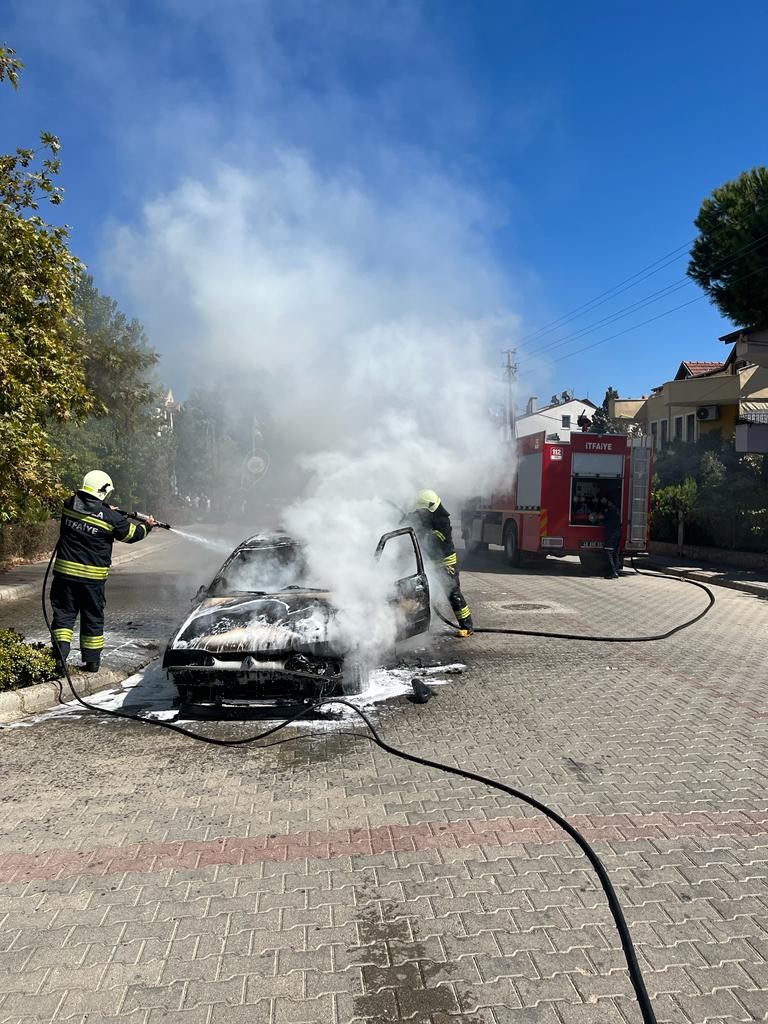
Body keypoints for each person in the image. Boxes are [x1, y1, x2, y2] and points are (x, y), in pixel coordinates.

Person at [50, 470, 157, 673]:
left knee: (63, 617)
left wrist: (104, 508)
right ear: (103, 491)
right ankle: (92, 662)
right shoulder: (111, 518)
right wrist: (148, 525)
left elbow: (88, 509)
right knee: (92, 617)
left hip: (64, 576)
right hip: (92, 580)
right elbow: (132, 534)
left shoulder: (69, 505)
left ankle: (59, 660)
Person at [409, 489, 474, 635]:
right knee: (423, 593)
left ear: (430, 508)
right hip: (432, 563)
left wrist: (423, 534)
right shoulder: (429, 516)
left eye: (422, 510)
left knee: (453, 594)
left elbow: (436, 540)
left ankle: (467, 626)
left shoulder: (443, 522)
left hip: (446, 564)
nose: (420, 513)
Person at [600, 496, 622, 579]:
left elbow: (602, 517)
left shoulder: (609, 510)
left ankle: (613, 572)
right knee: (615, 553)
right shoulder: (617, 510)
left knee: (608, 552)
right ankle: (616, 570)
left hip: (611, 533)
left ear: (610, 502)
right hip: (618, 532)